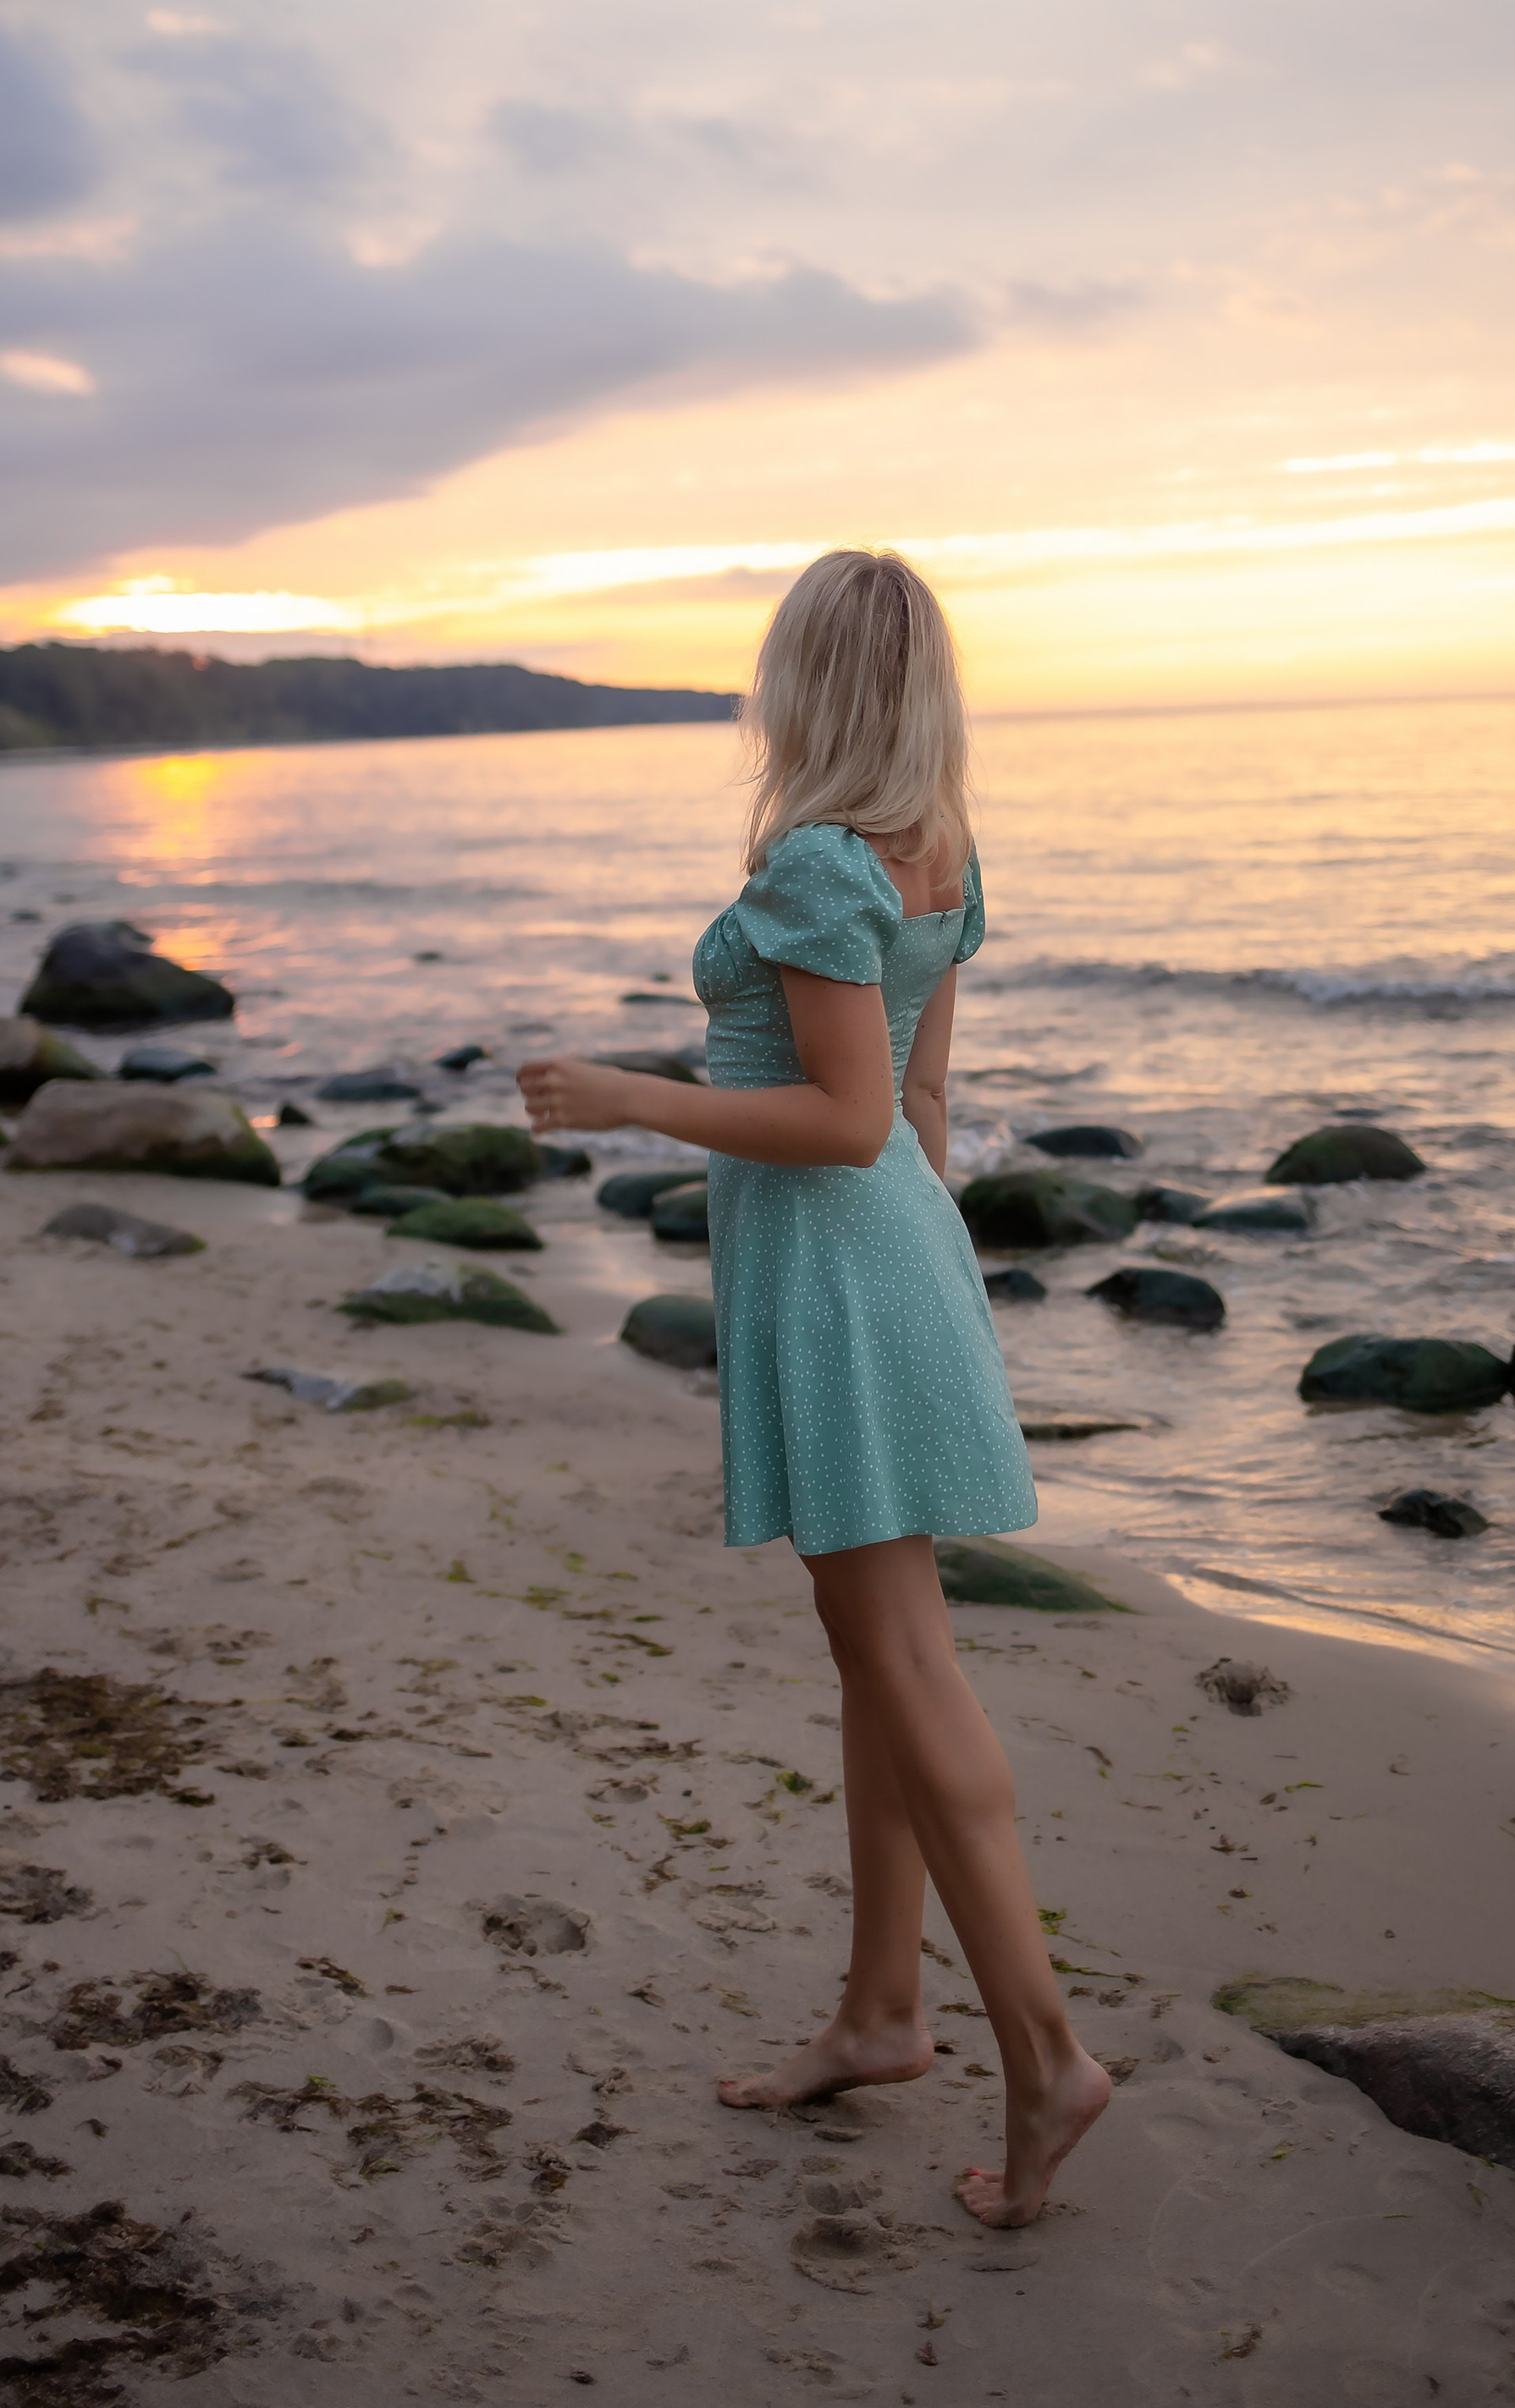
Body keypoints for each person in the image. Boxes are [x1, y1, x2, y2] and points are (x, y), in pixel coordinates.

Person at [519, 547, 1110, 2229]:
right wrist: (919, 1280)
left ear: (807, 685)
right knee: (874, 1662)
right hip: (893, 1256)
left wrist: (632, 1097)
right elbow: (919, 1107)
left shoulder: (813, 863)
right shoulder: (938, 853)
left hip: (841, 1273)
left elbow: (845, 1121)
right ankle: (878, 2013)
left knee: (904, 1659)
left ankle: (1047, 2055)